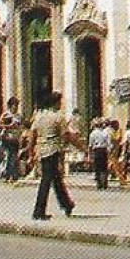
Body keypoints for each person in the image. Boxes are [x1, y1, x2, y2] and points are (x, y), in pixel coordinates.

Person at [30, 91, 79, 220]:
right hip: (53, 150)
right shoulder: (58, 117)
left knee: (56, 179)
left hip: (42, 150)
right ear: (56, 103)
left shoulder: (39, 116)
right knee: (47, 180)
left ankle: (67, 204)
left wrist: (31, 151)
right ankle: (39, 211)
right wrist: (79, 147)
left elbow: (33, 134)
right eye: (60, 102)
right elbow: (65, 135)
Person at [88, 119, 111, 190]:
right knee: (104, 168)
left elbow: (90, 145)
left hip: (97, 151)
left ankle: (99, 183)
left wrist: (89, 154)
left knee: (97, 167)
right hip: (104, 150)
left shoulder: (93, 133)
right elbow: (108, 144)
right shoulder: (105, 133)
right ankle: (105, 183)